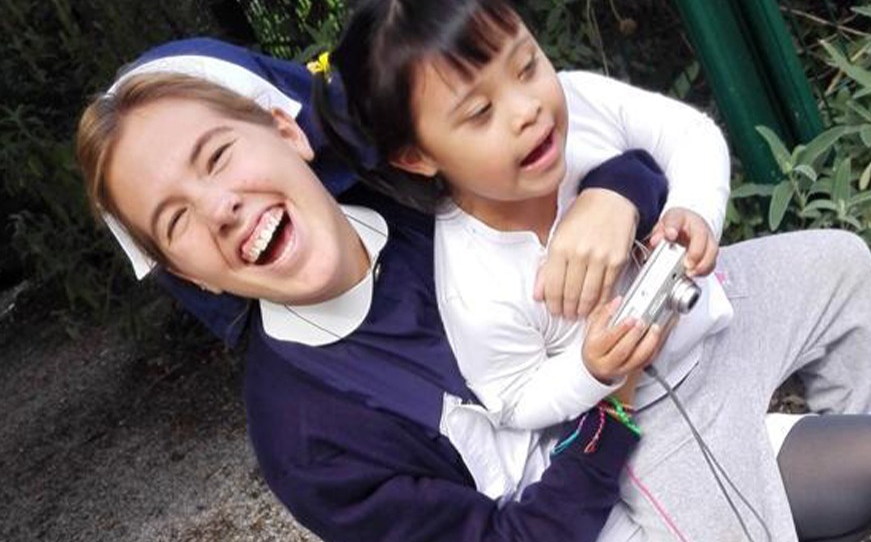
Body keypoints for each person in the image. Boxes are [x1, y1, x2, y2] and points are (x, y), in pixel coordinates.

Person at [314, 0, 871, 542]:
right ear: (417, 157)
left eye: (526, 66)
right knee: (737, 527)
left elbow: (689, 134)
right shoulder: (471, 277)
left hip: (711, 307)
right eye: (480, 112)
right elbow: (514, 399)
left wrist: (691, 207)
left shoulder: (582, 98)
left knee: (841, 265)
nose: (528, 110)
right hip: (655, 414)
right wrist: (591, 369)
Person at [75, 39, 675, 542]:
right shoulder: (304, 441)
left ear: (286, 130)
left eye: (218, 157)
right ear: (191, 277)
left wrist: (613, 197)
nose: (219, 207)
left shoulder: (421, 177)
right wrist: (611, 407)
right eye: (176, 222)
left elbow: (621, 162)